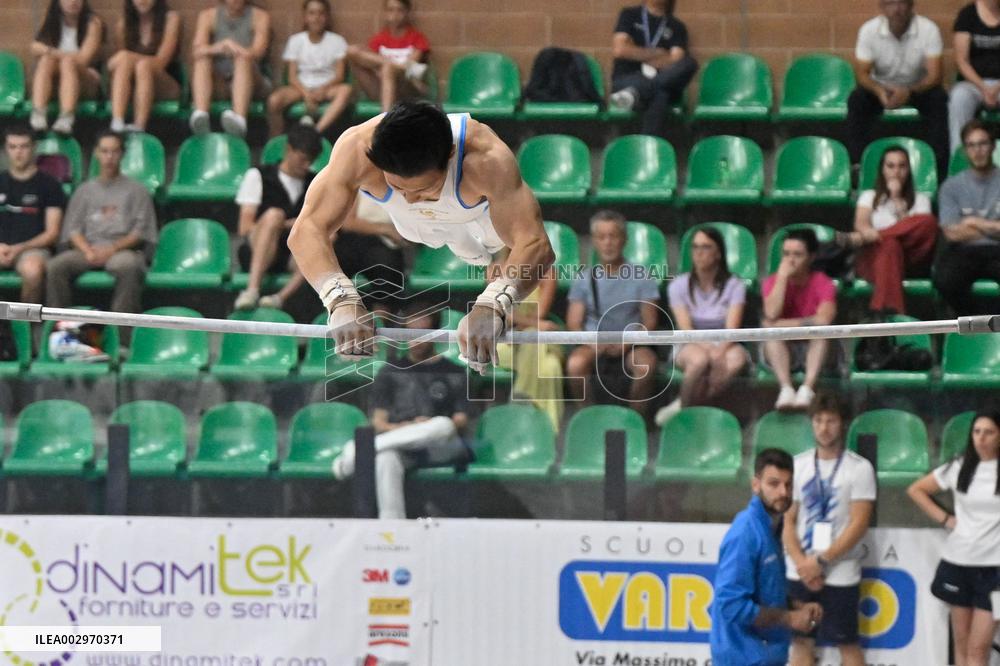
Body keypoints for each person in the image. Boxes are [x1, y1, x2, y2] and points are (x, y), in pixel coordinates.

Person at [288, 100, 554, 373]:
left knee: (485, 246)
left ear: (451, 155)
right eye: (397, 185)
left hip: (476, 218)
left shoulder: (486, 158)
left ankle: (467, 243)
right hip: (412, 227)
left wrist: (493, 304)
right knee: (433, 231)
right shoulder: (357, 148)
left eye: (422, 189)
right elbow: (305, 230)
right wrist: (340, 300)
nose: (411, 198)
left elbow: (536, 244)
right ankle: (454, 233)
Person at [331, 305, 470, 520]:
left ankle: (360, 452)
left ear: (434, 334)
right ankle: (392, 528)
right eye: (410, 333)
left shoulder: (454, 371)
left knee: (444, 424)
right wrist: (403, 428)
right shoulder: (390, 371)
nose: (415, 340)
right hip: (402, 445)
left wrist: (425, 426)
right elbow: (379, 422)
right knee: (386, 458)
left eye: (421, 334)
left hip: (440, 445)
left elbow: (460, 421)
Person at [782, 392, 876, 666]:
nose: (824, 428)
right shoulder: (797, 465)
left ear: (842, 423)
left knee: (847, 642)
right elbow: (788, 520)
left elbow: (859, 523)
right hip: (798, 568)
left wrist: (821, 562)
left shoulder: (859, 468)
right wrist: (802, 563)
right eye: (818, 421)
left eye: (831, 421)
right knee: (800, 642)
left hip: (840, 569)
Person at [710, 448, 824, 666]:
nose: (783, 492)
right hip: (743, 657)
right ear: (755, 485)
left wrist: (794, 605)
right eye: (773, 484)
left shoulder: (773, 526)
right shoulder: (746, 533)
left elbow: (764, 589)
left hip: (765, 655)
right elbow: (730, 605)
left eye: (788, 484)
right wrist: (789, 618)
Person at [907, 410, 1000, 666]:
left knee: (978, 648)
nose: (981, 438)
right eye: (977, 432)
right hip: (958, 562)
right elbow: (917, 490)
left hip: (995, 571)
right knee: (961, 644)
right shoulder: (959, 467)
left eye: (989, 432)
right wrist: (946, 519)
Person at [46, 130, 158, 317]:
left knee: (129, 266)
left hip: (122, 250)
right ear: (97, 153)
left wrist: (112, 249)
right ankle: (61, 326)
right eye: (104, 151)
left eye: (114, 151)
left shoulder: (137, 190)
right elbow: (73, 230)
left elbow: (139, 232)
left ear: (122, 154)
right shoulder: (84, 191)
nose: (109, 157)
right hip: (86, 249)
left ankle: (122, 334)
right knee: (56, 266)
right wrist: (87, 251)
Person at [565, 210, 660, 418]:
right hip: (594, 343)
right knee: (575, 364)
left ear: (624, 239)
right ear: (594, 242)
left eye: (613, 236)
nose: (608, 242)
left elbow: (650, 321)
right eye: (601, 237)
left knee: (646, 365)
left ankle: (634, 420)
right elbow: (574, 322)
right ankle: (588, 418)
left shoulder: (642, 276)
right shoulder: (583, 278)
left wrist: (626, 343)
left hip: (632, 344)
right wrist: (595, 344)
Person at [656, 226, 747, 426]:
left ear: (718, 253)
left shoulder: (735, 285)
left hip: (725, 342)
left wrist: (719, 350)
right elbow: (686, 328)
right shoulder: (677, 285)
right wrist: (711, 351)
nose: (699, 253)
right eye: (695, 247)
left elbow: (732, 329)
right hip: (689, 342)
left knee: (736, 360)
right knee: (699, 360)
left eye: (706, 247)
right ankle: (686, 415)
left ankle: (687, 404)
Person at [848, 0, 948, 178]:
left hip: (917, 88)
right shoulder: (869, 30)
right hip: (882, 88)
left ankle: (938, 168)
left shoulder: (928, 29)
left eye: (902, 3)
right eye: (890, 4)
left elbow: (935, 76)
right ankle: (858, 165)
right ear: (881, 7)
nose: (896, 10)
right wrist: (879, 91)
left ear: (911, 5)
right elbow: (862, 74)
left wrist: (909, 92)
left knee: (939, 98)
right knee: (857, 99)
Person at [839, 145, 938, 315]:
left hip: (910, 260)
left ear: (908, 170)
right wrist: (872, 235)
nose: (896, 172)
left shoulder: (921, 200)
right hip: (874, 260)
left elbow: (923, 235)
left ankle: (880, 315)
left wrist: (898, 202)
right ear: (882, 170)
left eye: (902, 166)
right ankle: (891, 312)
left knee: (928, 222)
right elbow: (861, 225)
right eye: (890, 166)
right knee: (890, 245)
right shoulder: (869, 196)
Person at [233, 125, 322, 311]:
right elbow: (245, 227)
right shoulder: (258, 176)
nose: (306, 166)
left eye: (311, 161)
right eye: (302, 159)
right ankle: (252, 290)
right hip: (257, 248)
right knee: (274, 215)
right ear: (289, 150)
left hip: (292, 254)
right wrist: (279, 224)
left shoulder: (314, 183)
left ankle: (280, 297)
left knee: (326, 237)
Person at [762, 228, 837, 411]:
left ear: (811, 257)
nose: (790, 260)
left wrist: (781, 325)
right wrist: (781, 279)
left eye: (797, 254)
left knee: (821, 333)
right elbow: (771, 314)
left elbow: (824, 320)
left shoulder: (823, 283)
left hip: (816, 350)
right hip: (783, 349)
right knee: (771, 334)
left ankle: (807, 389)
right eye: (786, 254)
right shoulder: (772, 282)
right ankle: (786, 389)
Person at [934, 120, 1000, 316]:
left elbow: (961, 228)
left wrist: (975, 222)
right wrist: (994, 228)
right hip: (964, 251)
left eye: (982, 143)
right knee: (944, 280)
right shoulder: (951, 186)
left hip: (997, 251)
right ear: (964, 150)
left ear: (993, 146)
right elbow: (952, 233)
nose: (977, 150)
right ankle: (977, 321)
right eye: (971, 145)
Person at [608, 0, 697, 136]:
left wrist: (635, 51)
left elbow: (675, 60)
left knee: (689, 63)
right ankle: (648, 147)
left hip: (660, 78)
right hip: (628, 78)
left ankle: (634, 94)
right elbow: (620, 50)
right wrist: (658, 53)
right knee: (661, 94)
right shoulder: (629, 15)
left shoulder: (677, 26)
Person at [266, 0, 352, 138]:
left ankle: (316, 132)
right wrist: (306, 94)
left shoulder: (337, 41)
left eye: (321, 13)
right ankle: (276, 140)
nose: (316, 18)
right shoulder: (295, 41)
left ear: (327, 17)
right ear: (305, 17)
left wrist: (322, 89)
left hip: (327, 87)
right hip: (300, 88)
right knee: (274, 101)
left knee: (346, 91)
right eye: (312, 13)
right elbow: (292, 76)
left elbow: (340, 75)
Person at [0, 126, 65, 304]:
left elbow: (52, 233)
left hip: (33, 250)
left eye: (24, 146)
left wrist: (18, 248)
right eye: (12, 147)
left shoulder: (50, 185)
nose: (18, 152)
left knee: (32, 270)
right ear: (6, 150)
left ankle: (27, 329)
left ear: (34, 148)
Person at [189, 0, 272, 137]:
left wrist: (236, 49)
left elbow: (259, 51)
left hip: (252, 78)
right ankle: (201, 115)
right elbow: (196, 50)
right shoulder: (208, 15)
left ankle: (239, 120)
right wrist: (220, 47)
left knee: (242, 59)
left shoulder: (260, 16)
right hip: (220, 81)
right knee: (202, 59)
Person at [496, 268, 564, 432]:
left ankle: (521, 400)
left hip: (533, 340)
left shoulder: (547, 272)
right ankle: (550, 433)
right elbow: (501, 312)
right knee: (547, 360)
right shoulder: (495, 270)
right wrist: (534, 324)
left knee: (549, 365)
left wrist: (525, 323)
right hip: (504, 343)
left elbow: (539, 314)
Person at [29, 0, 104, 135]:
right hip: (58, 82)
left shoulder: (93, 23)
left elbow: (83, 59)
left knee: (66, 62)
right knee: (46, 61)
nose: (73, 2)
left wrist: (51, 52)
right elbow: (34, 47)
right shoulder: (54, 20)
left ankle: (67, 117)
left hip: (86, 79)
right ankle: (38, 114)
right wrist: (52, 54)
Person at [107, 0, 182, 134]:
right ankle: (117, 122)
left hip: (165, 82)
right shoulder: (123, 24)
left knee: (143, 66)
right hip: (133, 86)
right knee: (126, 62)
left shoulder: (171, 18)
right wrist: (123, 59)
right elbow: (119, 65)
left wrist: (127, 57)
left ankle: (139, 125)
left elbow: (161, 61)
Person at [346, 0, 430, 113]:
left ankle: (385, 120)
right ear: (385, 13)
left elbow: (410, 68)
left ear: (407, 12)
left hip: (407, 89)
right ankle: (386, 113)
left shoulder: (416, 38)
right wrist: (390, 67)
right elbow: (370, 65)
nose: (395, 15)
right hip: (381, 89)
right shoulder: (379, 39)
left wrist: (389, 68)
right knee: (351, 51)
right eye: (391, 10)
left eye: (399, 10)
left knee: (388, 68)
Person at [949, 0, 1000, 154]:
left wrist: (996, 88)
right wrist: (984, 88)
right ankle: (959, 157)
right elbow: (962, 61)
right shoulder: (967, 15)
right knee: (959, 98)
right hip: (973, 84)